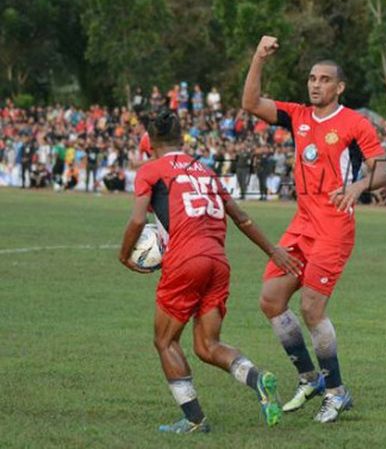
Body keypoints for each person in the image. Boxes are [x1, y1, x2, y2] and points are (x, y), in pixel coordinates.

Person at [118, 110, 303, 434]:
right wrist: (273, 250)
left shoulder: (151, 170)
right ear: (181, 137)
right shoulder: (205, 170)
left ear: (150, 142)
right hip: (218, 262)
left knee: (165, 341)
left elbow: (136, 221)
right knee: (207, 345)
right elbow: (240, 217)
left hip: (186, 261)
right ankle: (259, 380)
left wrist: (124, 256)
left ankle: (193, 420)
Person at [241, 35, 386, 423]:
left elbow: (385, 170)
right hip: (302, 226)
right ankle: (310, 378)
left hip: (334, 228)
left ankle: (337, 393)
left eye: (324, 79)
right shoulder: (298, 116)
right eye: (311, 78)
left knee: (311, 308)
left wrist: (358, 186)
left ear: (339, 87)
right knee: (271, 300)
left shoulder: (355, 123)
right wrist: (259, 58)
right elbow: (251, 103)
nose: (315, 84)